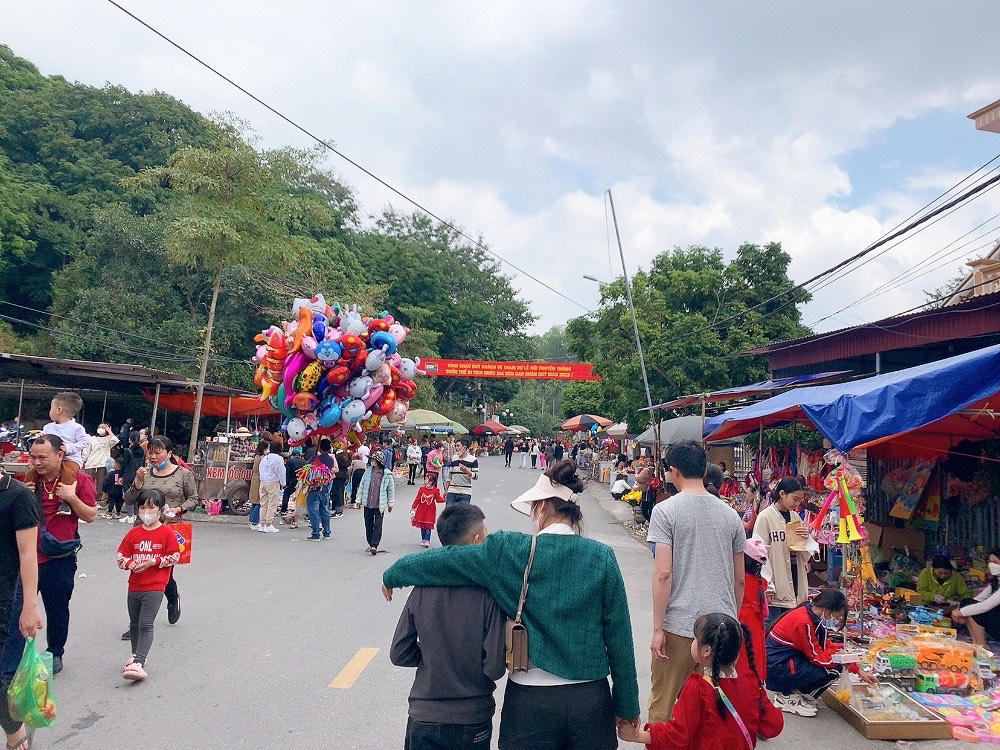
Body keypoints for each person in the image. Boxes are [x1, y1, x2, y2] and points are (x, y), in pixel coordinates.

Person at [382, 459, 640, 749]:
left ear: (540, 507)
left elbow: (446, 560)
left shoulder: (511, 550)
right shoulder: (601, 557)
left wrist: (395, 573)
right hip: (590, 700)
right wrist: (627, 708)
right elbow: (620, 639)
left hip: (530, 701)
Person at [391, 503, 506, 750]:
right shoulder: (489, 593)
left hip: (425, 715)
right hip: (472, 718)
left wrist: (433, 656)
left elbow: (399, 653)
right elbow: (495, 667)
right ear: (477, 541)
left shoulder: (421, 589)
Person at [646, 440, 746, 723]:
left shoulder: (665, 512)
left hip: (679, 626)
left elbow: (663, 573)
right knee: (711, 710)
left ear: (673, 471)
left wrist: (657, 628)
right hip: (722, 627)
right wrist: (732, 620)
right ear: (704, 470)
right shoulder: (730, 515)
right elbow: (739, 580)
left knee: (665, 704)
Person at [617, 613, 782, 749]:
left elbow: (679, 735)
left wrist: (638, 736)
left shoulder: (698, 687)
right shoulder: (751, 681)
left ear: (706, 650)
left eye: (694, 638)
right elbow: (773, 724)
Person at [25, 434, 97, 675]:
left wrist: (71, 497)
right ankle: (14, 651)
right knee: (15, 607)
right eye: (33, 457)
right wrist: (21, 497)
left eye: (42, 457)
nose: (37, 462)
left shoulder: (79, 480)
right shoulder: (27, 482)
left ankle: (55, 651)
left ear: (59, 455)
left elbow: (89, 515)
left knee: (57, 608)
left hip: (59, 559)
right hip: (25, 557)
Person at [122, 436, 197, 631]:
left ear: (169, 453)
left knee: (162, 575)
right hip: (142, 531)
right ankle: (136, 624)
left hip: (167, 531)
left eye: (158, 452)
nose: (153, 456)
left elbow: (194, 498)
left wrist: (179, 509)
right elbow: (129, 500)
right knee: (138, 573)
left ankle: (171, 598)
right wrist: (138, 481)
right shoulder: (144, 473)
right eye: (150, 452)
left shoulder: (183, 474)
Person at [766, 589, 873, 716]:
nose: (837, 620)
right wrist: (841, 661)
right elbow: (817, 657)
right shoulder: (804, 622)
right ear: (828, 611)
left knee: (836, 665)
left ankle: (796, 694)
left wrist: (857, 669)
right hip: (778, 667)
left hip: (783, 662)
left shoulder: (810, 617)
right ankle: (787, 696)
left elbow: (825, 646)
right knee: (835, 670)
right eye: (838, 616)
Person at [116, 488, 180, 681]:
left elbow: (174, 556)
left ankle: (139, 661)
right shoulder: (133, 533)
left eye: (151, 508)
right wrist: (130, 563)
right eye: (143, 507)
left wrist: (155, 562)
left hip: (155, 586)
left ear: (161, 510)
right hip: (134, 585)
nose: (146, 512)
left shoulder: (166, 533)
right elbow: (121, 556)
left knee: (145, 623)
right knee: (134, 624)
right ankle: (136, 656)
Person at [0, 468, 42, 750]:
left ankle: (14, 733)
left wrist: (29, 605)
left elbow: (28, 553)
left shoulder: (17, 497)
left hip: (4, 598)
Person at [752, 477, 809, 628]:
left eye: (799, 501)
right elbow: (759, 553)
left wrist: (806, 538)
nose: (797, 504)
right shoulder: (765, 517)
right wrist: (767, 585)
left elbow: (804, 554)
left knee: (790, 628)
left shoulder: (795, 517)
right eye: (795, 499)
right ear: (782, 494)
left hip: (795, 576)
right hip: (775, 582)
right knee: (771, 627)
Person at [737, 536, 770, 680]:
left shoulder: (738, 579)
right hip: (756, 623)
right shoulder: (760, 582)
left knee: (741, 655)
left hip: (740, 618)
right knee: (756, 652)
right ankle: (756, 681)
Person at [952, 549, 1000, 646]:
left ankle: (981, 646)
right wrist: (961, 608)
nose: (991, 565)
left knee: (975, 611)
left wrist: (960, 612)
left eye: (995, 562)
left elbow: (985, 606)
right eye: (990, 562)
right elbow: (977, 600)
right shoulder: (995, 581)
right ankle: (976, 643)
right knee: (967, 602)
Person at [42, 392, 90, 468]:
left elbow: (85, 441)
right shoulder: (47, 427)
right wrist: (40, 437)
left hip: (69, 460)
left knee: (68, 473)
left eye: (51, 408)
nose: (50, 411)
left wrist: (69, 448)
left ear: (59, 410)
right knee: (33, 472)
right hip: (50, 460)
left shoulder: (76, 428)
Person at [359, 452, 394, 555]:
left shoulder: (386, 474)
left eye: (374, 459)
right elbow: (362, 485)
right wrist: (358, 501)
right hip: (368, 502)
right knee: (368, 524)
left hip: (380, 504)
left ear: (378, 461)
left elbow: (390, 490)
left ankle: (374, 545)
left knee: (378, 524)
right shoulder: (368, 472)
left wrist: (390, 504)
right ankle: (370, 543)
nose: (372, 461)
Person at [304, 439, 336, 541]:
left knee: (313, 510)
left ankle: (315, 533)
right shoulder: (331, 460)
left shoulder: (315, 458)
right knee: (324, 510)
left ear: (320, 448)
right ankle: (327, 533)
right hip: (325, 487)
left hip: (314, 487)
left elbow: (306, 468)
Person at [82, 422, 117, 503]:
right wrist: (82, 461)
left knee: (101, 482)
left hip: (103, 464)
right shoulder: (92, 438)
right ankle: (87, 497)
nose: (101, 429)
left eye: (103, 428)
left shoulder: (109, 439)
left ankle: (99, 498)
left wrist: (109, 430)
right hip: (91, 463)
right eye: (99, 427)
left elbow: (115, 440)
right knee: (88, 482)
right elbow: (86, 451)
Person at [256, 439, 285, 534]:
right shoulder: (279, 459)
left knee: (263, 504)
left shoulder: (265, 458)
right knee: (272, 504)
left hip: (263, 482)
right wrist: (283, 483)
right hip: (273, 482)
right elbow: (281, 472)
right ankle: (268, 524)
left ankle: (262, 524)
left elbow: (260, 470)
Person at [410, 473, 444, 548]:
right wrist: (413, 507)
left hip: (430, 511)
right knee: (422, 525)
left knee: (428, 526)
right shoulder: (421, 489)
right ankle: (423, 539)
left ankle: (427, 539)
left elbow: (438, 499)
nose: (424, 480)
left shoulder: (435, 490)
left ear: (431, 482)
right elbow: (417, 499)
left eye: (426, 479)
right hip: (421, 510)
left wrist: (444, 499)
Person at [445, 439, 478, 505]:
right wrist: (446, 490)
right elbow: (449, 476)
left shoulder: (473, 460)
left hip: (465, 493)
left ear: (464, 448)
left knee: (462, 514)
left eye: (458, 446)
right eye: (455, 446)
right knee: (449, 513)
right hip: (452, 491)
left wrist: (467, 471)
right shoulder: (454, 458)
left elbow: (476, 476)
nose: (456, 448)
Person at [248, 440, 268, 531]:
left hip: (254, 478)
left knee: (254, 501)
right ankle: (255, 522)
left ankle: (251, 520)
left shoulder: (256, 456)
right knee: (259, 502)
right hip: (260, 479)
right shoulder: (262, 457)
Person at [280, 448, 306, 517]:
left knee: (286, 493)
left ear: (292, 455)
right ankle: (303, 512)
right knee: (302, 496)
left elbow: (287, 473)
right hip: (302, 481)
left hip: (293, 481)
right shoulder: (304, 462)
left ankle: (283, 510)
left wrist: (286, 483)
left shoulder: (290, 461)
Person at [330, 447, 349, 517]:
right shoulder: (345, 457)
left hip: (338, 477)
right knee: (340, 493)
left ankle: (338, 510)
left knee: (337, 493)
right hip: (343, 476)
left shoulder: (338, 458)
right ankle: (338, 509)